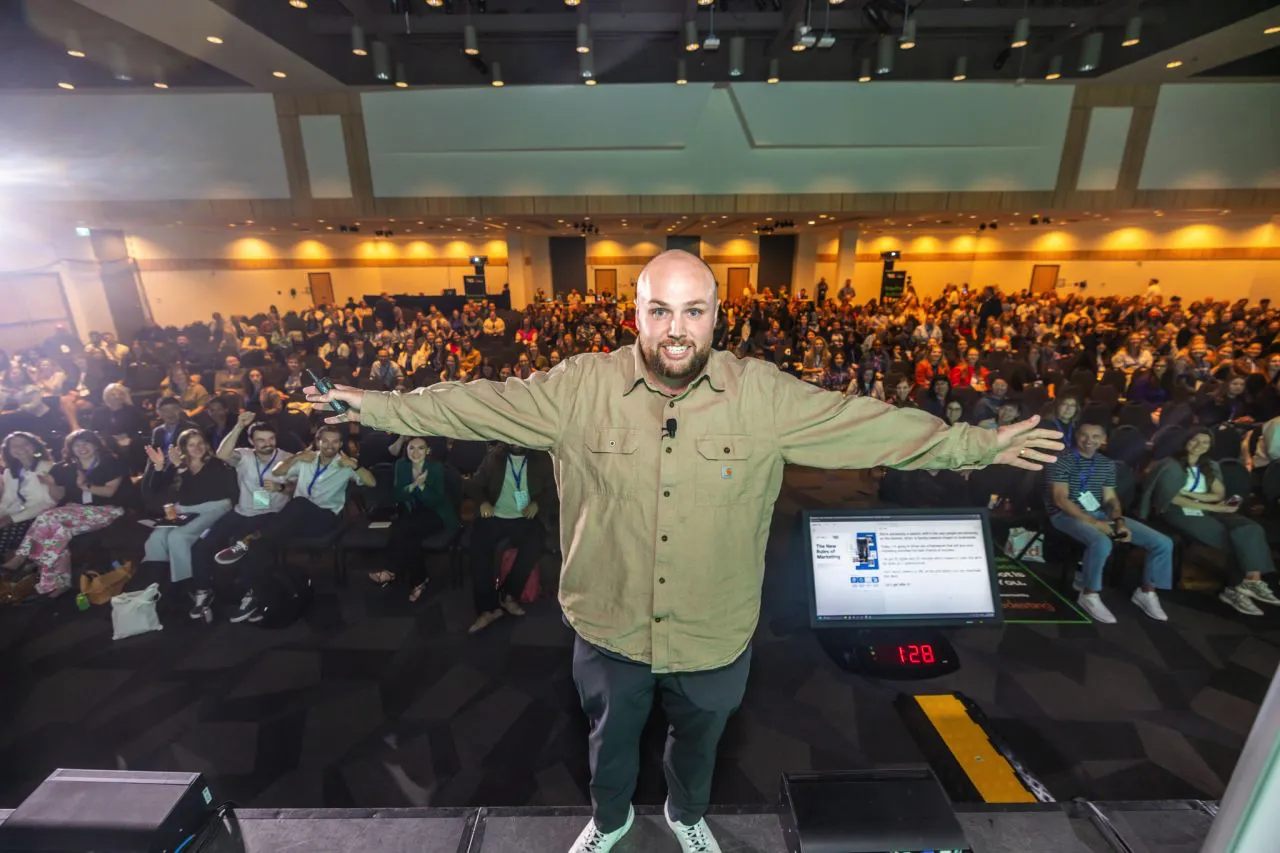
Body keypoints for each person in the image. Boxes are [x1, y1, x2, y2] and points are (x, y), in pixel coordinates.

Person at [304, 249, 1061, 853]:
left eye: (693, 311)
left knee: (701, 741)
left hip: (714, 629)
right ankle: (609, 822)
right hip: (610, 621)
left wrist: (975, 443)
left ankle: (687, 812)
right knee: (609, 741)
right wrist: (373, 405)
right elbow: (478, 402)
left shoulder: (762, 394)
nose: (676, 329)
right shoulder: (579, 388)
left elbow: (867, 424)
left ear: (716, 316)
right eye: (660, 310)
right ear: (635, 313)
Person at [213, 425, 374, 624]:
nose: (330, 445)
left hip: (325, 519)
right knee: (261, 546)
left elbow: (371, 483)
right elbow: (278, 471)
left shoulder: (346, 465)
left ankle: (250, 538)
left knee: (298, 503)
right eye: (325, 441)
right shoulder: (307, 459)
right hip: (298, 519)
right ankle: (258, 595)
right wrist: (297, 458)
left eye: (335, 442)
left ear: (341, 444)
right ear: (317, 442)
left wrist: (355, 466)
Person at [1137, 428, 1280, 616]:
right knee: (1234, 539)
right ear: (1186, 441)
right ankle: (1234, 590)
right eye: (1195, 440)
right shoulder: (1169, 464)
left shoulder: (1210, 465)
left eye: (1205, 442)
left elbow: (1218, 494)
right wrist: (1210, 503)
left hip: (1209, 509)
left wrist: (1193, 496)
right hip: (1178, 512)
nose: (1199, 445)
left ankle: (1251, 581)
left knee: (1250, 528)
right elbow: (1172, 498)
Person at [1044, 422, 1173, 624]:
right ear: (1077, 436)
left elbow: (1111, 498)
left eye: (1096, 436)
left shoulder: (1105, 464)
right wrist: (1096, 524)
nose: (1089, 440)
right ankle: (1089, 593)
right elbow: (1061, 500)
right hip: (1064, 515)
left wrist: (1119, 521)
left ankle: (1147, 591)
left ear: (1104, 440)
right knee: (1102, 542)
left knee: (1163, 543)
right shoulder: (1061, 460)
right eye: (1084, 435)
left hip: (1098, 513)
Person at [187, 414, 294, 621]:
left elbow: (296, 487)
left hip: (270, 514)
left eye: (271, 438)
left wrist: (281, 487)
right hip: (241, 511)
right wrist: (238, 426)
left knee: (246, 547)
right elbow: (222, 454)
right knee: (201, 546)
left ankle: (252, 594)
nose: (267, 444)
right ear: (252, 441)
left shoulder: (287, 458)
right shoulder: (244, 456)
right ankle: (203, 590)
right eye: (261, 440)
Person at [0, 430, 127, 596]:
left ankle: (24, 559)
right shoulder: (66, 467)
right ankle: (61, 582)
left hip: (106, 509)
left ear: (96, 445)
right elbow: (58, 497)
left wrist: (84, 486)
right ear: (70, 449)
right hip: (75, 510)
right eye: (76, 445)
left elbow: (109, 492)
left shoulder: (110, 462)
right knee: (59, 532)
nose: (81, 448)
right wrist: (51, 485)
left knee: (47, 517)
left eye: (86, 443)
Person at [465, 442, 553, 634]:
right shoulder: (494, 458)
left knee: (535, 544)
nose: (515, 441)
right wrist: (483, 502)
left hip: (525, 517)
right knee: (478, 549)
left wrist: (537, 503)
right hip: (495, 515)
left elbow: (554, 489)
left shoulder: (541, 459)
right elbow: (474, 486)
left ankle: (509, 594)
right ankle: (488, 609)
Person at [140, 428, 237, 586]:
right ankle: (154, 581)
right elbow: (156, 488)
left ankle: (184, 583)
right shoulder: (180, 463)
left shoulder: (215, 463)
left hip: (215, 507)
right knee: (156, 539)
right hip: (187, 510)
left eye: (200, 443)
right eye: (191, 445)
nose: (197, 448)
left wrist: (181, 467)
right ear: (184, 448)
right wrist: (158, 466)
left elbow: (200, 491)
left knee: (178, 537)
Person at [374, 436, 457, 603]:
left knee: (404, 529)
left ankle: (392, 571)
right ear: (406, 450)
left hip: (436, 512)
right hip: (411, 511)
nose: (416, 452)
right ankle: (419, 580)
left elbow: (437, 500)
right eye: (411, 448)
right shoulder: (401, 465)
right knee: (409, 536)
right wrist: (413, 485)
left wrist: (422, 486)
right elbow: (396, 495)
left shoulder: (435, 467)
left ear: (428, 450)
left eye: (421, 448)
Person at [0, 432, 58, 556]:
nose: (20, 448)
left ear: (35, 446)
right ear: (9, 451)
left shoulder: (48, 467)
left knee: (6, 534)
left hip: (37, 516)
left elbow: (47, 503)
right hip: (15, 514)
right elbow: (8, 500)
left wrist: (11, 519)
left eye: (25, 444)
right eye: (15, 446)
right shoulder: (10, 471)